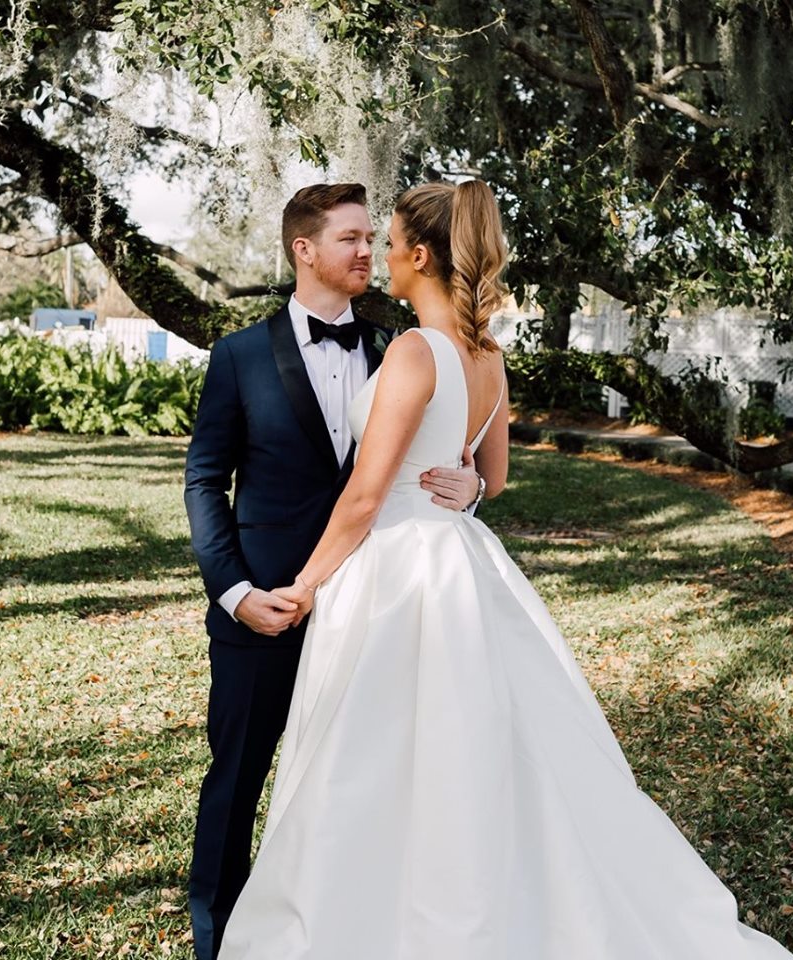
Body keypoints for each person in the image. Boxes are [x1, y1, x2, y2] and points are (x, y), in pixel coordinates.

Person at [215, 180, 793, 959]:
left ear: (421, 256)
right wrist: (468, 490)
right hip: (460, 560)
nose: (381, 255)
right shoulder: (489, 356)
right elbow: (493, 475)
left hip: (400, 569)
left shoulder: (415, 351)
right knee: (469, 743)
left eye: (390, 242)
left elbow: (364, 495)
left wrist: (305, 584)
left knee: (378, 751)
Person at [183, 181, 482, 960]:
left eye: (370, 237)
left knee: (363, 785)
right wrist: (236, 592)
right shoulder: (239, 356)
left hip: (374, 611)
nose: (365, 252)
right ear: (304, 249)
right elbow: (203, 481)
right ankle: (217, 940)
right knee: (236, 782)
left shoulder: (400, 347)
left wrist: (475, 485)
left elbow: (440, 458)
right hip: (266, 608)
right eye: (349, 238)